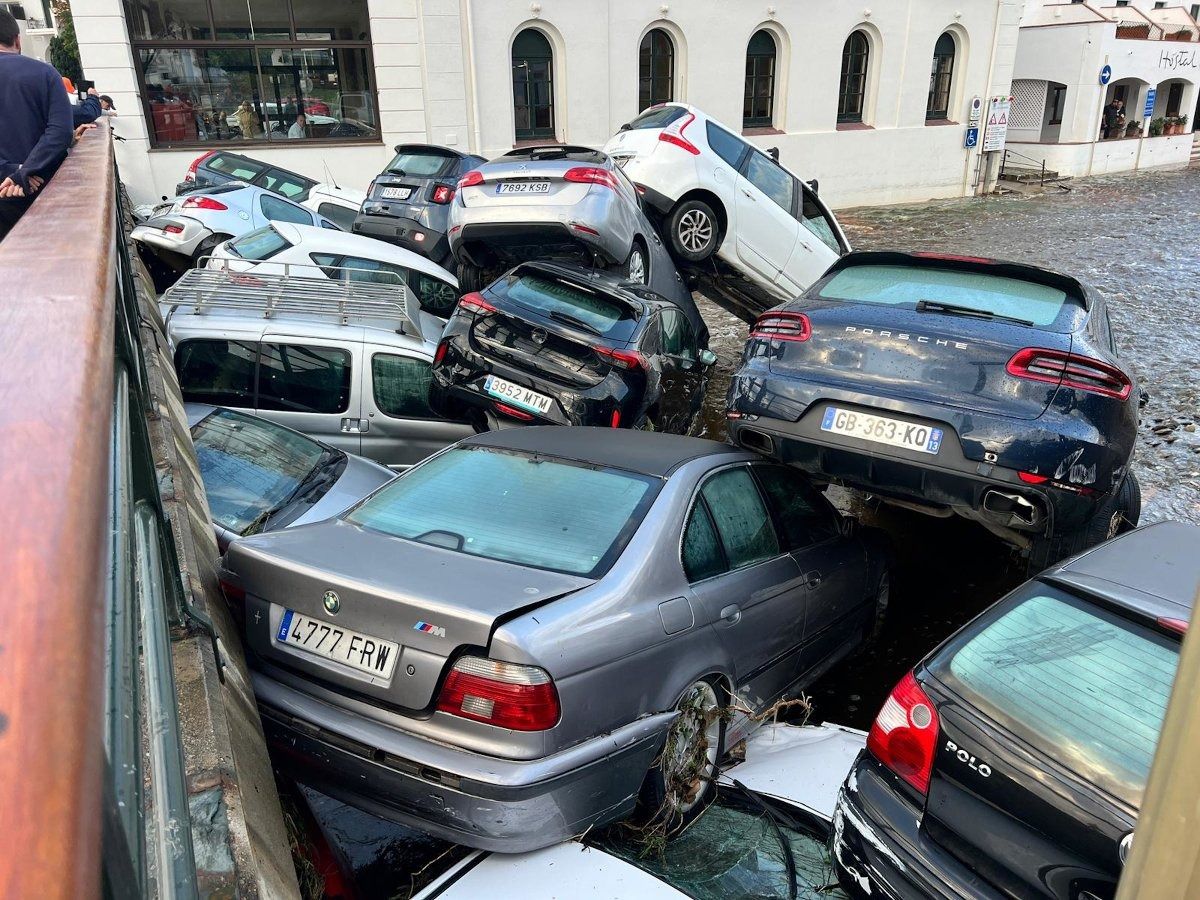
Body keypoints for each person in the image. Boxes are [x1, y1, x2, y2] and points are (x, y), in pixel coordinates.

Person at [0, 9, 73, 239]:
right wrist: (27, 170)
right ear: (17, 39)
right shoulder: (45, 73)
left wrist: (13, 171)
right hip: (45, 188)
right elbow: (60, 132)